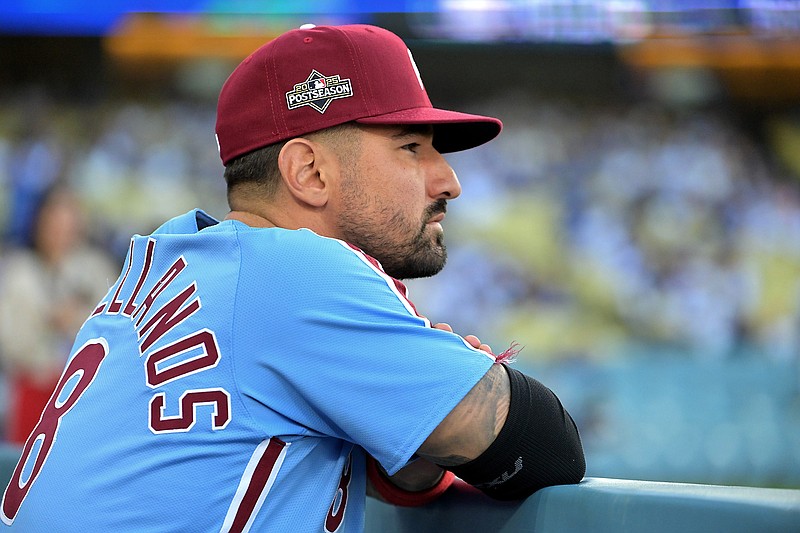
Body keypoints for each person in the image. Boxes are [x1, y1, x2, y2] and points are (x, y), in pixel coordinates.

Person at [1, 24, 584, 532]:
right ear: (308, 172)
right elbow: (546, 446)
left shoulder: (172, 256)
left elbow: (397, 468)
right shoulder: (294, 273)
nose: (448, 181)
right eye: (410, 147)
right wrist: (461, 396)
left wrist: (423, 434)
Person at [0, 184, 117, 445]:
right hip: (32, 387)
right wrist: (45, 322)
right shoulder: (20, 270)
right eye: (53, 221)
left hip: (82, 393)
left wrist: (74, 321)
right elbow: (9, 339)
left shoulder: (94, 268)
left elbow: (113, 326)